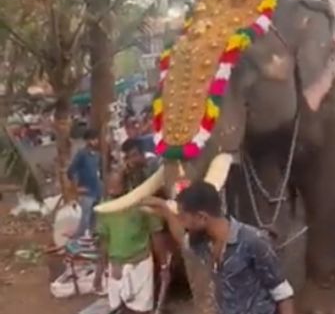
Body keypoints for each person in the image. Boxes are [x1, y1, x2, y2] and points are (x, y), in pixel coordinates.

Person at [142, 182, 295, 314]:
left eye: (183, 217)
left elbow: (282, 293)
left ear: (202, 217)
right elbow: (183, 239)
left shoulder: (253, 241)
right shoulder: (202, 243)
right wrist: (165, 210)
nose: (181, 222)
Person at [94, 171, 163, 313]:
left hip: (141, 264)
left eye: (116, 186)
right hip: (117, 266)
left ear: (126, 184)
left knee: (141, 309)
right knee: (117, 308)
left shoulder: (142, 202)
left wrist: (163, 265)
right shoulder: (105, 208)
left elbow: (156, 235)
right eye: (109, 187)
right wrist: (99, 271)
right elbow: (104, 241)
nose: (112, 191)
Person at [68, 128, 102, 238]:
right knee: (85, 219)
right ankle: (78, 239)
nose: (95, 141)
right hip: (86, 191)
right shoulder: (82, 154)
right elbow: (71, 171)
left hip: (97, 190)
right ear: (87, 140)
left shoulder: (97, 155)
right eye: (92, 139)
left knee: (95, 218)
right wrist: (76, 188)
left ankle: (92, 240)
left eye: (96, 139)